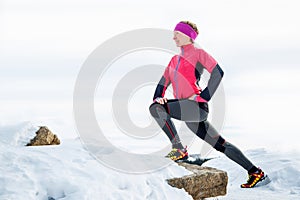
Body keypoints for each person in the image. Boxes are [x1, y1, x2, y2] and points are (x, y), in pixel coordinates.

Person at [149, 21, 265, 188]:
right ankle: (255, 172)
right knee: (220, 144)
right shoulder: (174, 60)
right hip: (189, 115)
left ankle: (179, 149)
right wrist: (158, 96)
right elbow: (163, 82)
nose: (174, 37)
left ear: (189, 36)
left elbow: (218, 72)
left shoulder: (198, 53)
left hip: (196, 108)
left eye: (178, 34)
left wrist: (204, 97)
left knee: (156, 109)